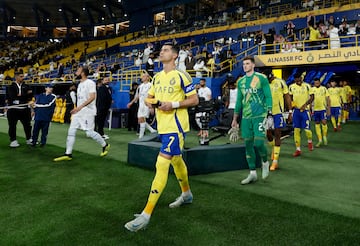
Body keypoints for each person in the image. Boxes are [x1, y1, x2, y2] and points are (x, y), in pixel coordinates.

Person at [125, 42, 199, 232]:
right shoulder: (156, 77)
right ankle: (187, 194)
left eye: (165, 50)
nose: (161, 52)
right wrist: (151, 104)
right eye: (161, 50)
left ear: (174, 56)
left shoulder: (182, 75)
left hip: (176, 127)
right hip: (163, 127)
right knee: (176, 161)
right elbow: (150, 97)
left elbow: (194, 100)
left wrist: (172, 105)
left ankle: (146, 214)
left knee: (162, 164)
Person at [53, 66, 110, 161]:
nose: (76, 72)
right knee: (71, 131)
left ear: (83, 73)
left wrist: (79, 107)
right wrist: (77, 109)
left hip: (88, 112)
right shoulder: (79, 84)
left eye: (78, 70)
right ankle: (68, 154)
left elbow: (92, 97)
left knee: (89, 133)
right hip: (79, 112)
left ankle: (105, 145)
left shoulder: (90, 83)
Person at [230, 56, 272, 185]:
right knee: (248, 145)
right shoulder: (241, 81)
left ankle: (265, 162)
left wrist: (269, 114)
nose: (245, 66)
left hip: (259, 116)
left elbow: (268, 96)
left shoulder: (261, 78)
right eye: (244, 64)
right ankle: (252, 173)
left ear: (253, 65)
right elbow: (239, 101)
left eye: (247, 64)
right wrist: (235, 119)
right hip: (246, 118)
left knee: (259, 144)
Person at [263, 69, 292, 171]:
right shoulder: (263, 84)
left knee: (278, 133)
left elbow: (287, 96)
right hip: (267, 113)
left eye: (268, 78)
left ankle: (275, 161)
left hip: (278, 112)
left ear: (272, 75)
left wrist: (290, 112)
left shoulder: (280, 82)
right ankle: (274, 148)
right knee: (268, 134)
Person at [288, 73, 314, 157]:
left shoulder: (307, 86)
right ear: (294, 79)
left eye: (300, 79)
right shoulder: (291, 87)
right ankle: (298, 149)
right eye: (296, 79)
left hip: (305, 111)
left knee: (307, 130)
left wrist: (305, 105)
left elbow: (312, 97)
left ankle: (310, 141)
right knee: (296, 130)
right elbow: (290, 98)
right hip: (296, 111)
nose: (298, 80)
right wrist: (292, 106)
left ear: (302, 78)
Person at [6, 71, 33, 147]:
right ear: (16, 77)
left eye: (23, 76)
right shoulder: (10, 87)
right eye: (21, 76)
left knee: (27, 125)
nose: (23, 78)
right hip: (13, 109)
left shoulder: (27, 86)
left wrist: (20, 97)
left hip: (25, 109)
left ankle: (29, 139)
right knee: (12, 126)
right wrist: (24, 96)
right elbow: (12, 97)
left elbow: (30, 96)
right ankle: (13, 140)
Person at [127, 73, 156, 138]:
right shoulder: (140, 86)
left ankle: (141, 136)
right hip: (141, 105)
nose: (142, 77)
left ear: (148, 78)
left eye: (143, 76)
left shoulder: (151, 85)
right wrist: (131, 103)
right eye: (142, 76)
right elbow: (137, 96)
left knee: (142, 118)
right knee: (140, 119)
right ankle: (152, 130)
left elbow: (153, 96)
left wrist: (151, 106)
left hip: (147, 104)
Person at [312, 78, 330, 147]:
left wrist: (328, 108)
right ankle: (320, 140)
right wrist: (310, 108)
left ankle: (324, 136)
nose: (316, 84)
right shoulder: (312, 89)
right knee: (317, 123)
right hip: (315, 109)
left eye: (317, 83)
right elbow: (310, 98)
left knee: (324, 122)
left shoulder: (324, 89)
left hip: (323, 108)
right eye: (315, 83)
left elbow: (328, 98)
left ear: (320, 82)